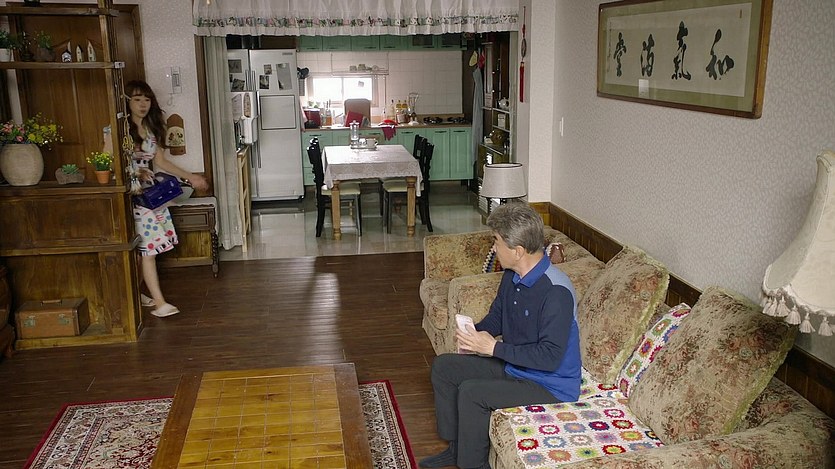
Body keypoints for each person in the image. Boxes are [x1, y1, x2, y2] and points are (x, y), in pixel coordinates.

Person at [419, 202, 582, 469]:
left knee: (473, 392)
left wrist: (493, 348)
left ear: (517, 251)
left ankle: (473, 465)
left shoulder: (556, 292)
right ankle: (456, 449)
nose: (493, 248)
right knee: (444, 367)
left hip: (550, 384)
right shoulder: (512, 276)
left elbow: (550, 357)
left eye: (496, 241)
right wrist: (475, 333)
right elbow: (498, 317)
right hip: (516, 366)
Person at [123, 80, 208, 318]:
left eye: (146, 100)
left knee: (145, 248)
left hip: (150, 196)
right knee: (148, 249)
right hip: (131, 196)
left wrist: (191, 177)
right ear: (127, 102)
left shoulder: (150, 130)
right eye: (137, 99)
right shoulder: (117, 130)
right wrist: (135, 172)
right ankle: (160, 303)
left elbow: (161, 162)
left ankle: (138, 293)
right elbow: (108, 162)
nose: (142, 104)